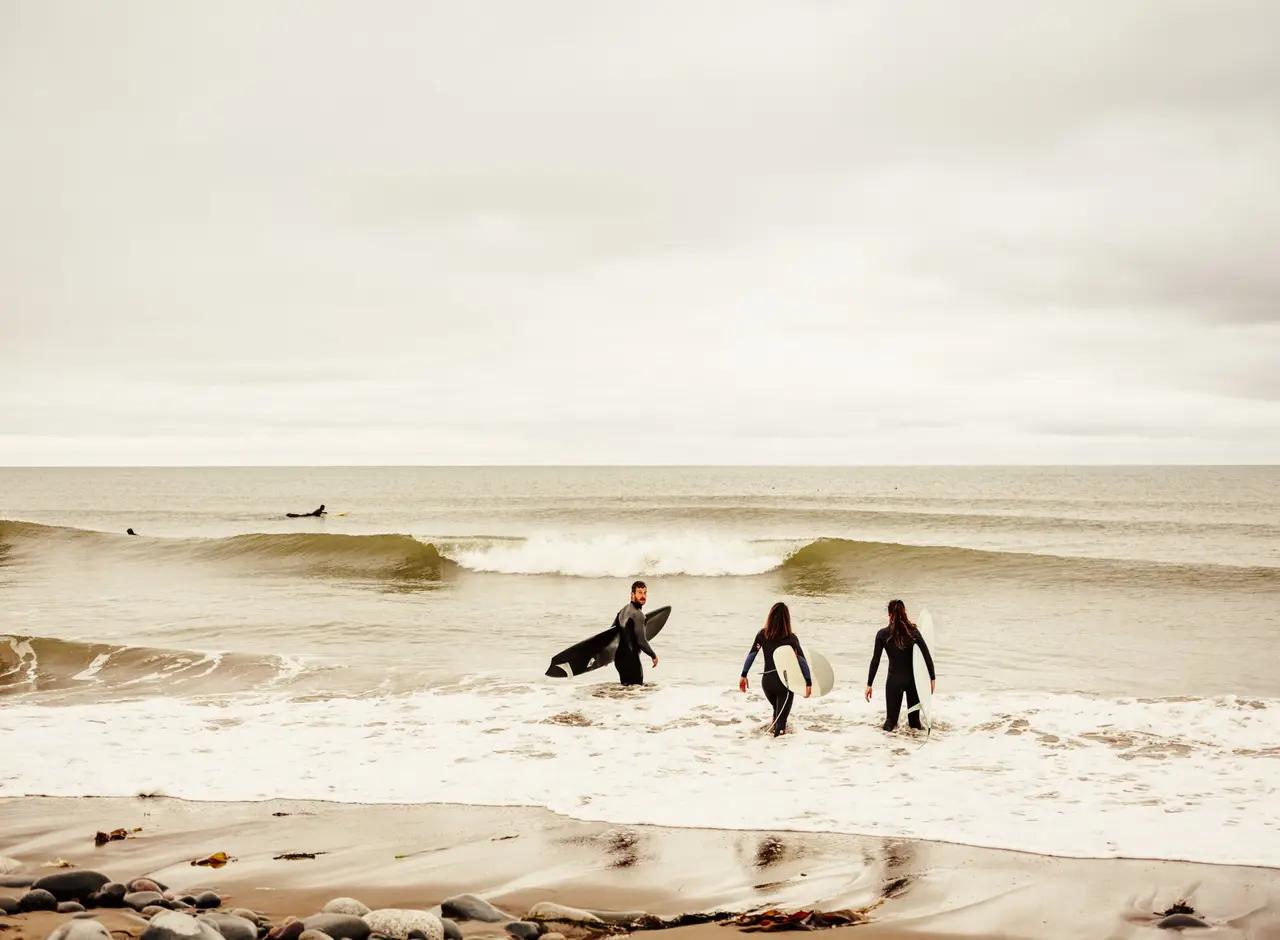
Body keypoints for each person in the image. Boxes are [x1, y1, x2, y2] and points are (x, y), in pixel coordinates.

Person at [739, 601, 811, 736]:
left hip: (767, 683)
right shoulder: (791, 638)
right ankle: (777, 747)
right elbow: (802, 661)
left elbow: (752, 654)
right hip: (784, 685)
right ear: (787, 619)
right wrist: (808, 682)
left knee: (776, 712)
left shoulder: (762, 635)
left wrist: (744, 675)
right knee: (781, 723)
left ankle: (769, 749)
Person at [865, 599, 935, 731]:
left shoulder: (882, 634)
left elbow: (875, 660)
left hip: (894, 681)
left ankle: (884, 748)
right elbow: (927, 655)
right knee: (914, 723)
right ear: (905, 613)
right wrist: (932, 678)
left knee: (890, 722)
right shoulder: (913, 632)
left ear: (889, 614)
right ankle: (917, 748)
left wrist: (869, 684)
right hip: (913, 682)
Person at [613, 580, 658, 686]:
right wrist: (653, 655)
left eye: (645, 593)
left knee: (625, 692)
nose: (643, 596)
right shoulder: (638, 615)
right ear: (632, 595)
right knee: (637, 693)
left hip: (619, 660)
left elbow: (612, 633)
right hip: (631, 660)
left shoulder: (623, 611)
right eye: (640, 592)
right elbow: (641, 641)